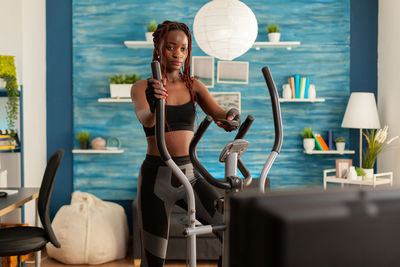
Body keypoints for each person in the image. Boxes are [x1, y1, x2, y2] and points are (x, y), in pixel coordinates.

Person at [131, 20, 240, 267]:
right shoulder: (140, 88)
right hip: (156, 178)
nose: (178, 54)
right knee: (153, 260)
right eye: (171, 47)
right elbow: (147, 120)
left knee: (230, 231)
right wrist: (154, 102)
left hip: (190, 174)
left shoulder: (194, 86)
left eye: (183, 49)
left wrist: (230, 115)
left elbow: (219, 112)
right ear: (158, 46)